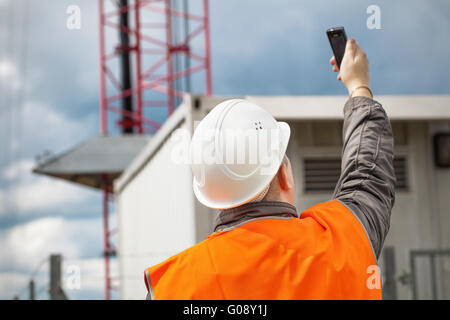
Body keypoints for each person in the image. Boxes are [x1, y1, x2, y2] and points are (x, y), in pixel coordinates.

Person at [144, 38, 396, 299]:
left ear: (214, 196)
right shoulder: (345, 237)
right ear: (283, 175)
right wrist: (359, 86)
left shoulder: (175, 285)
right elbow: (368, 174)